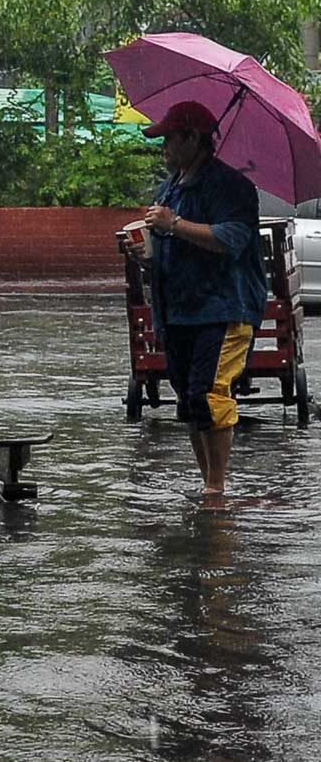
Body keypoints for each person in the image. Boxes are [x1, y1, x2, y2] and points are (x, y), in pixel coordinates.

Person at [124, 100, 266, 499]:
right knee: (187, 399)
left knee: (209, 393)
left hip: (222, 307)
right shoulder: (169, 188)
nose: (163, 148)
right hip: (177, 309)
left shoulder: (231, 187)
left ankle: (216, 489)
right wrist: (145, 252)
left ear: (192, 139)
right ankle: (208, 483)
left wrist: (176, 224)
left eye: (169, 139)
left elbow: (232, 239)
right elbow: (168, 245)